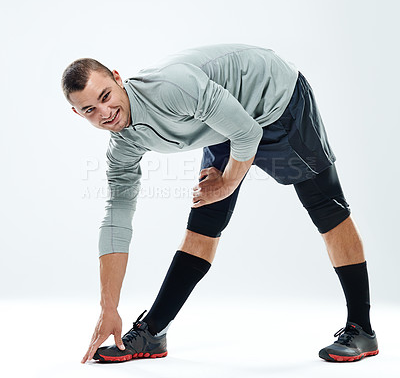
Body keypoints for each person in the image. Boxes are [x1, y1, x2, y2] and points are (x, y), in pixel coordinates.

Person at [61, 44, 378, 364]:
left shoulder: (171, 89)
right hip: (224, 120)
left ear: (117, 78)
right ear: (78, 114)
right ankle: (153, 332)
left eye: (105, 96)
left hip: (274, 100)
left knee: (326, 209)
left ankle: (361, 329)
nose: (105, 113)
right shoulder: (122, 148)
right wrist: (109, 308)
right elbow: (116, 220)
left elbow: (246, 132)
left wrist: (227, 183)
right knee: (202, 223)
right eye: (89, 110)